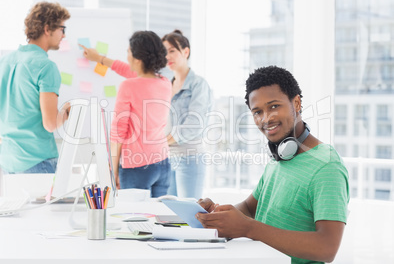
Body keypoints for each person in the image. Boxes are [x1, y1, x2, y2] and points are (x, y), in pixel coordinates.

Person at [196, 66, 349, 264]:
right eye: (257, 112)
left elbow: (327, 248)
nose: (266, 118)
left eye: (274, 106)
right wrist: (217, 214)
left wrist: (248, 228)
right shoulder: (280, 157)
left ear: (296, 103)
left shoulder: (327, 166)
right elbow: (250, 209)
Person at [80, 31, 172, 197]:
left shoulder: (128, 87)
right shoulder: (164, 83)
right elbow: (132, 72)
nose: (127, 56)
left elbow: (118, 133)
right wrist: (100, 58)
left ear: (137, 59)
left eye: (128, 52)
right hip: (162, 163)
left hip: (137, 167)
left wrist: (112, 170)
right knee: (159, 220)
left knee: (133, 219)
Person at [0, 2, 71, 174]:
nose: (63, 35)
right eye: (62, 29)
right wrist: (66, 112)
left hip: (8, 161)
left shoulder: (1, 64)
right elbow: (50, 124)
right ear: (47, 29)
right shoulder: (45, 67)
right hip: (37, 162)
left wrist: (2, 138)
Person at [162, 30, 213, 199]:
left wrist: (162, 142)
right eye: (164, 52)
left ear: (185, 51)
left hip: (190, 157)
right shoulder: (166, 86)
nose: (167, 56)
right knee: (168, 214)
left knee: (188, 213)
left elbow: (194, 124)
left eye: (172, 51)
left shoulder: (198, 85)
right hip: (168, 158)